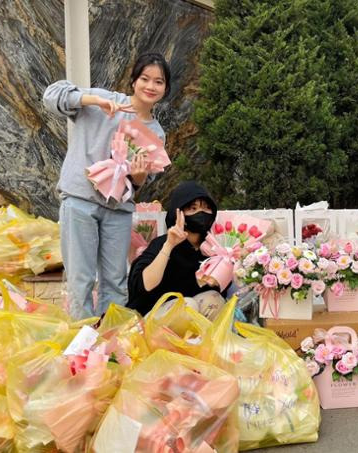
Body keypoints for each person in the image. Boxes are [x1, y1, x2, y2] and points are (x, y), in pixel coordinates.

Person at [43, 52, 171, 319]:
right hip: (80, 200)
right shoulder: (106, 101)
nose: (150, 86)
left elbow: (142, 181)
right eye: (145, 78)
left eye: (158, 82)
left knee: (116, 281)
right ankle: (83, 346)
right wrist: (93, 100)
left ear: (166, 88)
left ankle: (110, 345)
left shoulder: (157, 132)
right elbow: (52, 96)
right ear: (134, 81)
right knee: (82, 278)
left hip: (118, 210)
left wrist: (138, 175)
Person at [127, 181, 225, 318]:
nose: (201, 213)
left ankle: (201, 339)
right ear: (179, 213)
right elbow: (144, 286)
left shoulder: (212, 249)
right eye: (193, 208)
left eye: (206, 208)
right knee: (186, 305)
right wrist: (169, 245)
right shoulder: (163, 243)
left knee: (214, 299)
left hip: (193, 323)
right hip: (152, 318)